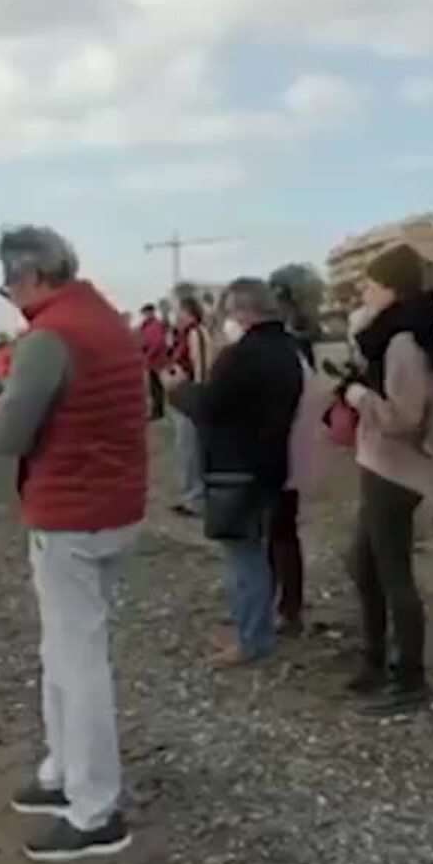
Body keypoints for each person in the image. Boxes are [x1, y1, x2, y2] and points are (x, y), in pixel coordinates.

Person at [0, 225, 146, 862]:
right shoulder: (103, 319)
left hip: (72, 514)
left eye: (9, 286)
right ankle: (63, 774)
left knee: (77, 662)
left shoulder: (51, 335)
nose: (10, 297)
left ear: (31, 276)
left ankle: (95, 810)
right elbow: (66, 407)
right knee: (62, 650)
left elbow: (11, 437)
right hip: (115, 505)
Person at [165, 279, 304, 667]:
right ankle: (253, 625)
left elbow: (210, 408)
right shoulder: (287, 350)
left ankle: (252, 638)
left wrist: (179, 390)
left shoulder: (242, 356)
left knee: (244, 557)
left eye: (229, 312)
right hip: (273, 463)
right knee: (258, 551)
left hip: (236, 467)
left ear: (244, 311)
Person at [336, 244, 433, 715]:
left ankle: (410, 679)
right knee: (364, 565)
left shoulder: (402, 342)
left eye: (371, 284)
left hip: (396, 470)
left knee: (392, 573)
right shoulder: (394, 336)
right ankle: (376, 659)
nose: (365, 292)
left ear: (392, 289)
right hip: (382, 464)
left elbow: (405, 416)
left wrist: (357, 396)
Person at [169, 296, 217, 516]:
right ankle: (190, 495)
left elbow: (201, 367)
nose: (176, 316)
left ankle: (196, 499)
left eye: (179, 311)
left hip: (191, 398)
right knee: (186, 448)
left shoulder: (196, 333)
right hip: (182, 397)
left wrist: (197, 395)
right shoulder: (182, 335)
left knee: (191, 448)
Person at [138, 304, 172, 421]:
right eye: (144, 313)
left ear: (152, 312)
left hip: (157, 360)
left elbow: (157, 343)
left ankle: (159, 411)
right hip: (151, 360)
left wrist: (148, 355)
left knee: (158, 387)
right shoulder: (145, 327)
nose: (145, 315)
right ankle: (157, 410)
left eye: (147, 313)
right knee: (154, 387)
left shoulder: (155, 326)